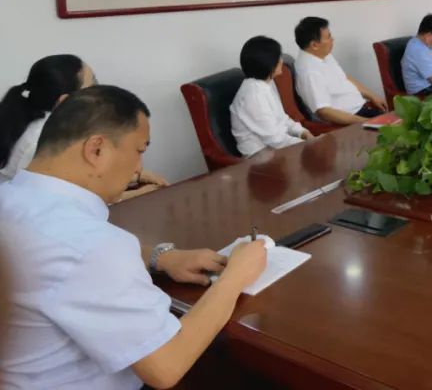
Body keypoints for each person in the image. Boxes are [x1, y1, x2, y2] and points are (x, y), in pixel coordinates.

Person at [0, 85, 268, 389]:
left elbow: (65, 261)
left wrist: (160, 257)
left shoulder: (11, 199)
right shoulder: (91, 245)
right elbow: (166, 365)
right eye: (140, 151)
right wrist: (235, 277)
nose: (139, 168)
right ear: (96, 150)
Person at [0, 55, 167, 199]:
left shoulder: (36, 121)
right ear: (65, 100)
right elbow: (69, 198)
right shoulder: (40, 142)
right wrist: (142, 193)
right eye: (93, 85)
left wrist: (135, 176)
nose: (99, 91)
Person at [230, 36, 315, 157]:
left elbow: (282, 119)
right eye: (278, 57)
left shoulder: (266, 83)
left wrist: (303, 133)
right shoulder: (253, 95)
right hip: (258, 157)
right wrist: (309, 144)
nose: (281, 61)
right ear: (267, 64)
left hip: (275, 148)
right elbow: (275, 140)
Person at [294, 17, 387, 124]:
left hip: (362, 109)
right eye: (328, 37)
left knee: (399, 120)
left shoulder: (322, 54)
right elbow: (324, 112)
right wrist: (368, 122)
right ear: (314, 45)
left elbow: (344, 78)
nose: (332, 39)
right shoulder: (309, 72)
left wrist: (373, 96)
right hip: (349, 121)